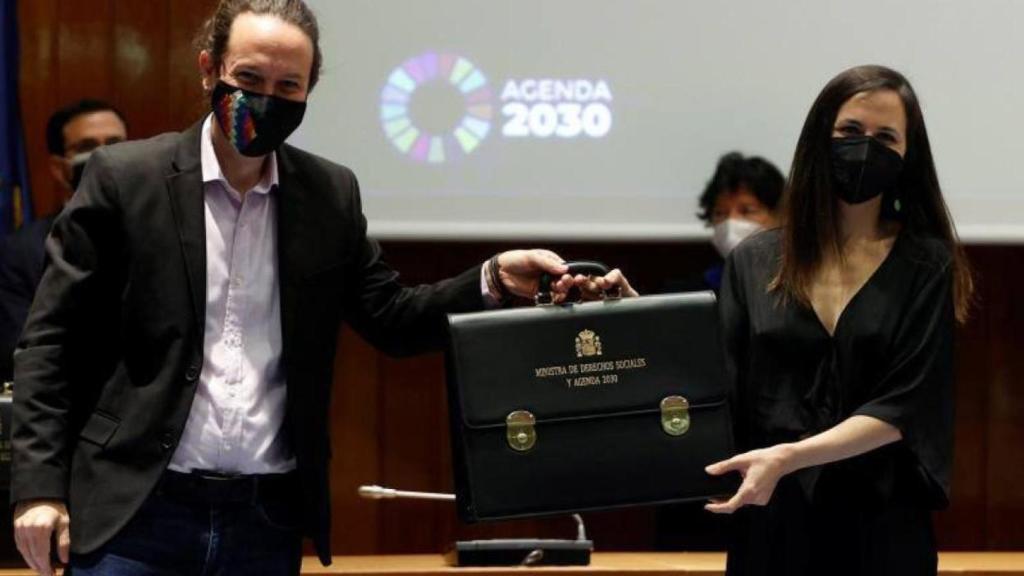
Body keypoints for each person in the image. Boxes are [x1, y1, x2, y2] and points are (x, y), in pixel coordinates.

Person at [9, 2, 634, 575]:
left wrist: (493, 278)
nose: (266, 100)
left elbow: (392, 317)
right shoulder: (126, 179)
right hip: (136, 512)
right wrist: (37, 488)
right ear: (209, 69)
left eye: (288, 87)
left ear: (308, 92)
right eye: (249, 80)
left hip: (265, 516)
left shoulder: (327, 195)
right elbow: (51, 341)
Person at [703, 65, 973, 575]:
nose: (864, 147)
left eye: (885, 136)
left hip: (882, 522)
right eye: (850, 131)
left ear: (906, 155)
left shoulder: (925, 264)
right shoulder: (754, 260)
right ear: (820, 135)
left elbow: (904, 405)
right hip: (772, 517)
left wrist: (789, 456)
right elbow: (721, 385)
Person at [0, 99, 127, 382]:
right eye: (86, 147)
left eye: (116, 142)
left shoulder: (163, 230)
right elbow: (20, 349)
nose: (105, 156)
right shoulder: (22, 252)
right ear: (59, 168)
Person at [666, 152, 784, 293]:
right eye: (720, 213)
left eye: (747, 211)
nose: (730, 222)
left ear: (781, 216)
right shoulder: (690, 294)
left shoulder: (802, 290)